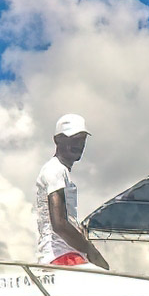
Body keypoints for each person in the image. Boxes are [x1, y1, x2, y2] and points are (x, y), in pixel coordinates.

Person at [33, 113, 109, 269]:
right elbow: (59, 224)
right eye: (72, 139)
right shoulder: (55, 170)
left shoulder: (60, 171)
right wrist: (91, 251)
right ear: (57, 140)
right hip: (60, 256)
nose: (78, 144)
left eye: (82, 140)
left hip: (66, 254)